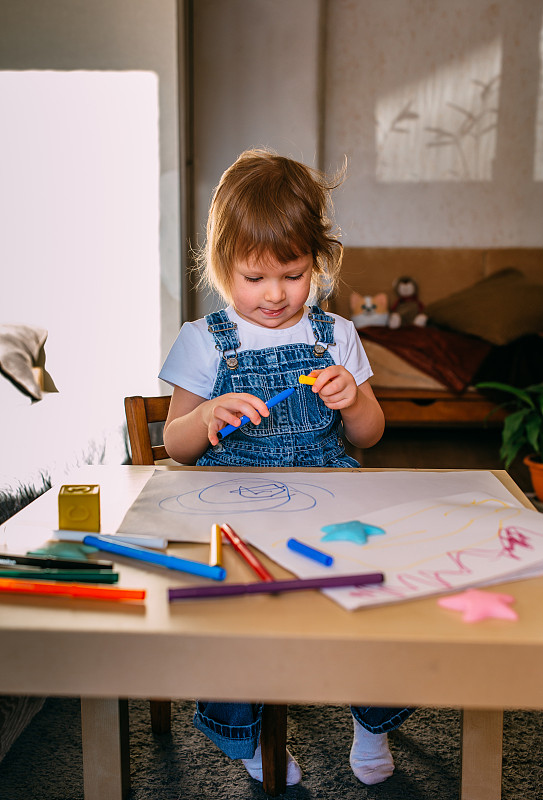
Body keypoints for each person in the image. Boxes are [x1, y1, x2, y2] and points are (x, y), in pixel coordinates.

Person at [159, 148, 413, 786]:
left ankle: (371, 722)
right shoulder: (202, 340)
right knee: (226, 611)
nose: (274, 295)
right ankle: (246, 736)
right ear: (222, 268)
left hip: (332, 504)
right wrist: (207, 415)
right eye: (253, 277)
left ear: (318, 264)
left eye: (293, 275)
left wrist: (354, 400)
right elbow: (176, 444)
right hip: (236, 512)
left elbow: (372, 434)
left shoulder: (337, 335)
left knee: (375, 588)